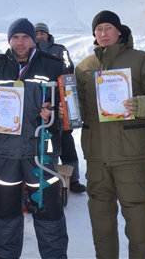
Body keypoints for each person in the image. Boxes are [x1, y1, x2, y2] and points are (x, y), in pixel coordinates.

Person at [0, 18, 68, 259]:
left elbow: (69, 104)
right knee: (6, 212)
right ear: (9, 40)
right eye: (15, 37)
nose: (20, 42)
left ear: (34, 39)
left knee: (48, 211)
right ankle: (5, 255)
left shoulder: (53, 65)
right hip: (4, 152)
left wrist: (53, 112)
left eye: (25, 37)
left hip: (40, 152)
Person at [75, 10, 145, 259]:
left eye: (108, 28)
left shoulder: (141, 60)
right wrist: (66, 109)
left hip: (131, 153)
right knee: (100, 218)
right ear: (94, 34)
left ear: (119, 31)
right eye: (98, 29)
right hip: (96, 154)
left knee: (138, 216)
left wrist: (140, 105)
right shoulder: (84, 68)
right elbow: (80, 108)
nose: (103, 34)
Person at [34, 22, 86, 194]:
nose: (39, 36)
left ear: (47, 35)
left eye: (42, 33)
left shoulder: (59, 49)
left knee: (65, 139)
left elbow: (67, 67)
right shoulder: (29, 51)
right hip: (38, 101)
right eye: (37, 33)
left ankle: (75, 178)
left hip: (61, 100)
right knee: (40, 139)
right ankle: (44, 176)